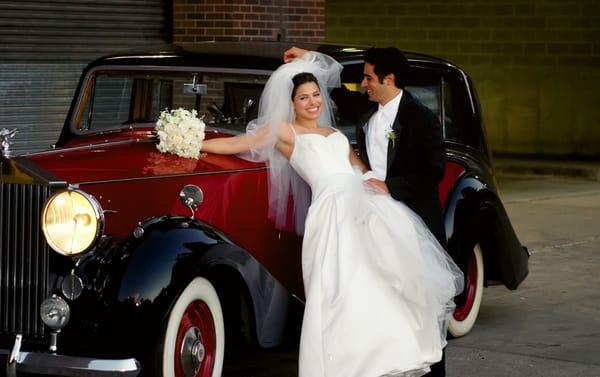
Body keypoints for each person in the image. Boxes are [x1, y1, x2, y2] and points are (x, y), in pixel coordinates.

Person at [201, 51, 463, 377]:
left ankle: (387, 354)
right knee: (336, 288)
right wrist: (192, 142)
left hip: (365, 206)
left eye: (315, 95)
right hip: (330, 212)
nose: (312, 103)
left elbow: (363, 171)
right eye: (303, 98)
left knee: (380, 282)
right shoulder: (285, 132)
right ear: (291, 102)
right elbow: (239, 144)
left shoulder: (337, 134)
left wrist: (382, 191)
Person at [284, 46, 450, 376]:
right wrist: (307, 56)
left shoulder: (421, 117)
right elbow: (330, 84)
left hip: (413, 217)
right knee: (382, 302)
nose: (362, 84)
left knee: (420, 305)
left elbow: (434, 170)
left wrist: (392, 186)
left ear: (388, 79)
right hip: (372, 216)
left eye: (368, 78)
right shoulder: (368, 108)